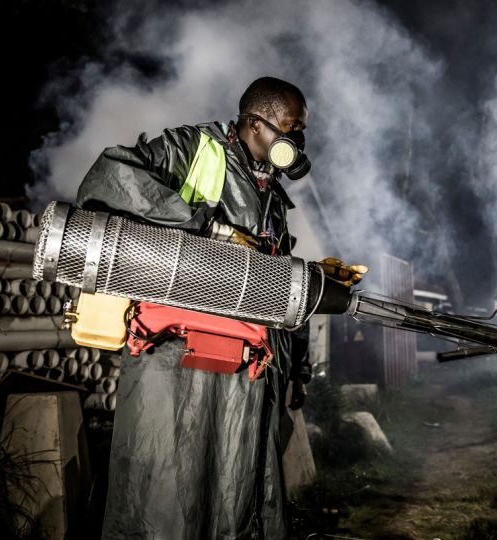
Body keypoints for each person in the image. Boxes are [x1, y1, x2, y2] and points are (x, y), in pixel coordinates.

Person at [76, 77, 349, 539]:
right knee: (167, 486)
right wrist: (205, 226)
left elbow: (274, 288)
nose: (297, 141)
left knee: (236, 489)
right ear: (254, 123)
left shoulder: (272, 195)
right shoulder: (193, 149)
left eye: (300, 130)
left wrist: (297, 364)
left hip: (246, 368)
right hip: (177, 360)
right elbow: (109, 176)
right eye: (290, 128)